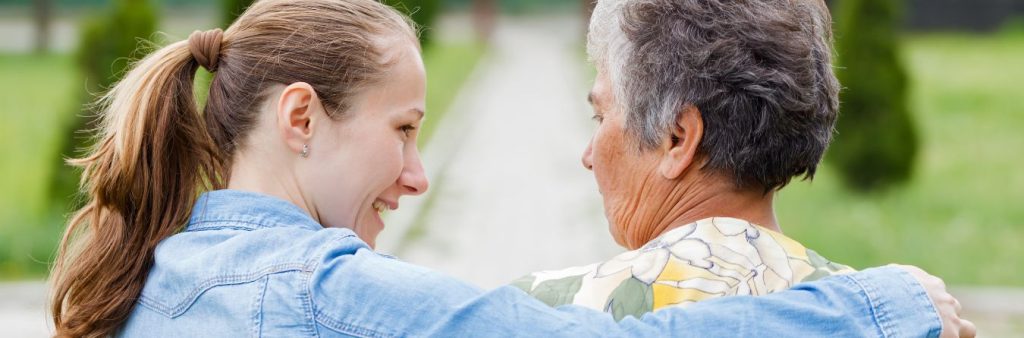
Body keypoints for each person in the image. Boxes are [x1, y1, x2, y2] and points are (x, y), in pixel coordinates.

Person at [47, 0, 973, 337]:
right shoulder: (325, 294)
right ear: (300, 116)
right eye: (405, 129)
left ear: (679, 137)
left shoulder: (148, 277)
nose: (418, 174)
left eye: (598, 110)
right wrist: (878, 306)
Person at [512, 0, 867, 320]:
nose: (588, 157)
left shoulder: (547, 311)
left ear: (678, 138)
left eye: (601, 117)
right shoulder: (872, 311)